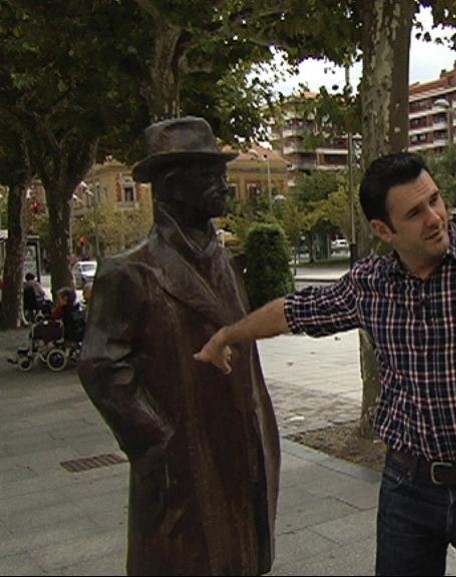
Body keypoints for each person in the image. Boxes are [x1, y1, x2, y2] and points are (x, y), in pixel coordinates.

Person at [195, 151, 456, 576]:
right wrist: (227, 336)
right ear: (383, 230)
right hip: (408, 487)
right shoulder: (369, 285)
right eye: (416, 212)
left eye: (435, 201)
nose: (435, 217)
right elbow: (292, 312)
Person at [78, 117, 280, 576]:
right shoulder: (130, 271)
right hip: (184, 462)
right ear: (172, 185)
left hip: (242, 452)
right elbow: (101, 366)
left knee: (239, 560)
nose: (224, 185)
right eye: (209, 176)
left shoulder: (228, 262)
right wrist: (159, 444)